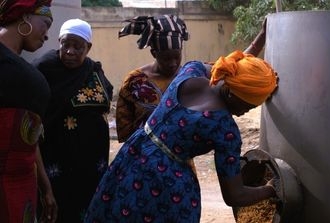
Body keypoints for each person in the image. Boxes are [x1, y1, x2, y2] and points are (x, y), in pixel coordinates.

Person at [83, 20, 279, 223]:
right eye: (247, 105)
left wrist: (258, 43)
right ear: (231, 93)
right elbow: (234, 196)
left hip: (134, 155)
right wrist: (270, 189)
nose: (244, 113)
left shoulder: (191, 70)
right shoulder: (225, 129)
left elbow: (230, 68)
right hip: (165, 182)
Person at [32, 18, 114, 223]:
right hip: (57, 160)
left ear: (89, 47)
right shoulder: (44, 68)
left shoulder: (93, 69)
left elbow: (106, 95)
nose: (70, 51)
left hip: (91, 163)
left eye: (78, 47)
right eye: (65, 44)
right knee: (57, 209)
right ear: (58, 41)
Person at [0, 0, 57, 223]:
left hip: (23, 185)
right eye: (45, 24)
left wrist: (45, 186)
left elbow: (29, 137)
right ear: (25, 17)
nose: (46, 36)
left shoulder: (17, 65)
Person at [116, 14, 189, 143]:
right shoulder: (135, 82)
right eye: (166, 58)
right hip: (141, 155)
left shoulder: (188, 78)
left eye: (177, 57)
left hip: (180, 158)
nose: (172, 63)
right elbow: (124, 130)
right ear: (153, 53)